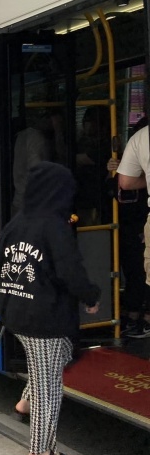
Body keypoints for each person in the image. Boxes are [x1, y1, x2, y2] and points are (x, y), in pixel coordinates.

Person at [0, 162, 100, 455]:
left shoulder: (16, 223)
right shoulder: (55, 226)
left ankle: (24, 402)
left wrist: (4, 303)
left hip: (16, 315)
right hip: (43, 320)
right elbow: (71, 272)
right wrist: (91, 296)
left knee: (55, 359)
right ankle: (41, 452)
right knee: (50, 386)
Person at [107, 117, 150, 338]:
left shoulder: (140, 141)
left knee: (140, 272)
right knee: (135, 270)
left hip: (140, 221)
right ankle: (136, 315)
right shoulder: (125, 159)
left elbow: (125, 184)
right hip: (131, 223)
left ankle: (142, 316)